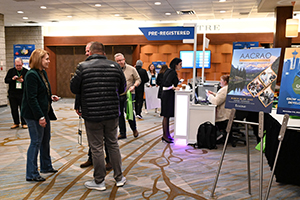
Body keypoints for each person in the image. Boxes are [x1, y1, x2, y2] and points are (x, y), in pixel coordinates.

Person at [70, 42, 127, 191]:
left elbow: (74, 88)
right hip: (112, 113)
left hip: (92, 114)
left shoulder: (82, 67)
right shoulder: (115, 67)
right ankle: (119, 178)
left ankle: (99, 181)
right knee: (113, 144)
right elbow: (123, 88)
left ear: (91, 52)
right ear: (103, 52)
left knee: (96, 148)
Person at [21, 49, 60, 182]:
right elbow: (31, 98)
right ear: (39, 60)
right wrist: (40, 117)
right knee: (36, 141)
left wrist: (50, 97)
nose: (49, 61)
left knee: (45, 140)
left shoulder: (42, 73)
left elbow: (41, 92)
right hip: (33, 114)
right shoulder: (31, 75)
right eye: (46, 59)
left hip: (44, 112)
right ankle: (31, 173)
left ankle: (46, 166)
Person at [114, 53, 141, 139]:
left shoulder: (131, 69)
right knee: (119, 114)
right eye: (118, 61)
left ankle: (134, 129)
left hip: (129, 94)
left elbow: (138, 79)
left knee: (129, 112)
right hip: (118, 95)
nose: (120, 62)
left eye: (121, 60)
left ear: (124, 59)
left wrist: (134, 86)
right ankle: (122, 133)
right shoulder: (114, 70)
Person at [161, 58, 182, 143]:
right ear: (176, 64)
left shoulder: (169, 71)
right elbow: (166, 83)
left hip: (166, 95)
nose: (181, 66)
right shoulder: (172, 72)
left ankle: (166, 135)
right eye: (180, 64)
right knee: (166, 115)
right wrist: (173, 87)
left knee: (166, 116)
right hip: (167, 95)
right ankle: (165, 135)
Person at [4, 58, 28, 129]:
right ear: (15, 65)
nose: (18, 67)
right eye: (17, 65)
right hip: (13, 94)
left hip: (22, 94)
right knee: (14, 109)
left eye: (20, 65)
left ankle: (24, 123)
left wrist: (23, 81)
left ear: (22, 64)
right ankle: (16, 123)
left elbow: (30, 82)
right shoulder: (11, 71)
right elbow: (6, 80)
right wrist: (12, 79)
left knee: (23, 109)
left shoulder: (26, 71)